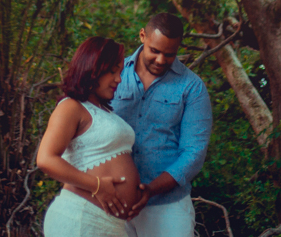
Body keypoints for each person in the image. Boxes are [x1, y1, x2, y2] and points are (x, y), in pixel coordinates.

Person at [111, 13, 212, 237]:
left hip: (167, 207)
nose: (160, 60)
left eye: (169, 54)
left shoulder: (192, 87)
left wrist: (151, 189)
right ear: (142, 36)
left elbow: (193, 153)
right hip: (113, 202)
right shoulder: (112, 74)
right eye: (154, 51)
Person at [37, 37, 142, 236]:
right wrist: (97, 185)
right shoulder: (71, 106)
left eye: (119, 72)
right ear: (92, 68)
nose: (118, 79)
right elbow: (45, 159)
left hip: (109, 225)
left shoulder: (105, 112)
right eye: (112, 71)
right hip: (80, 217)